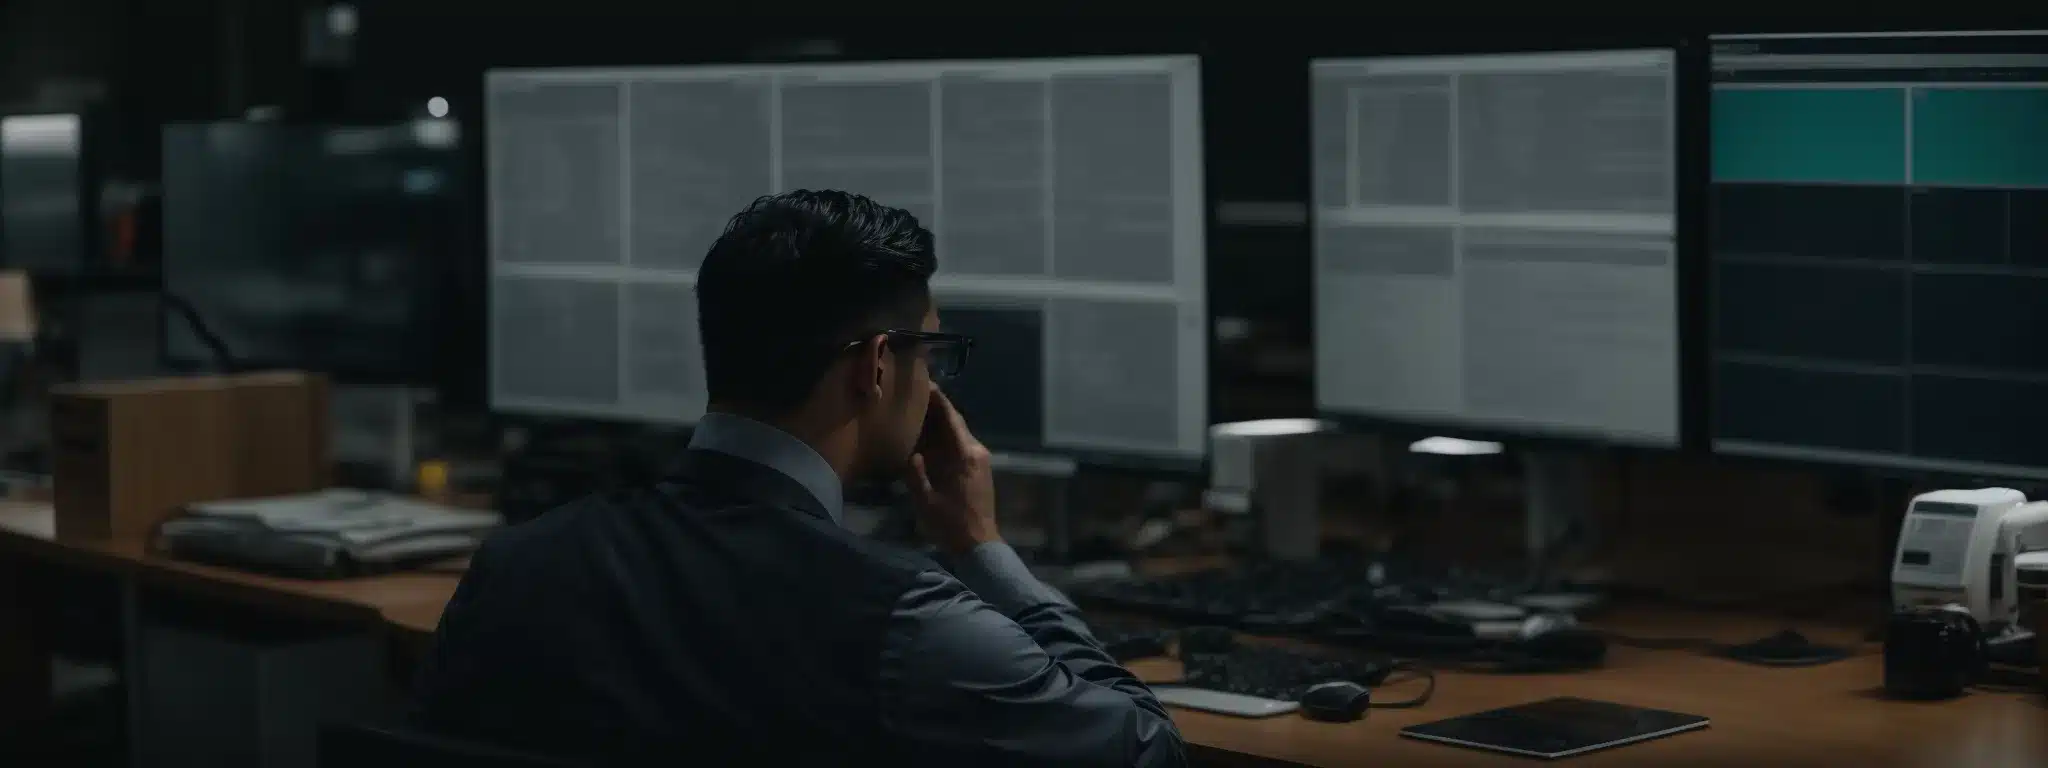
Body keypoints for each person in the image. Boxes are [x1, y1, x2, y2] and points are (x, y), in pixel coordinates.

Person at [410, 190, 1186, 766]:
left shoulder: (515, 566)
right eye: (930, 354)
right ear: (877, 366)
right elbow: (1146, 748)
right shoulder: (907, 623)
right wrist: (981, 548)